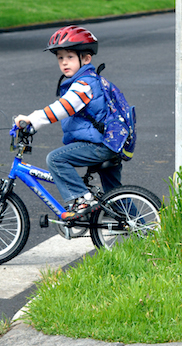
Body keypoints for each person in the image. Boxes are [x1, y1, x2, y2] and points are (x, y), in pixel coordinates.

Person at [14, 25, 121, 220]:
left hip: (99, 145)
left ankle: (83, 199)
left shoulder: (84, 84)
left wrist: (32, 120)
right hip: (110, 143)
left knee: (56, 159)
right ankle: (145, 231)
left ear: (86, 59)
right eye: (60, 58)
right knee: (117, 197)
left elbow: (62, 108)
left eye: (70, 57)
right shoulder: (85, 81)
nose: (64, 62)